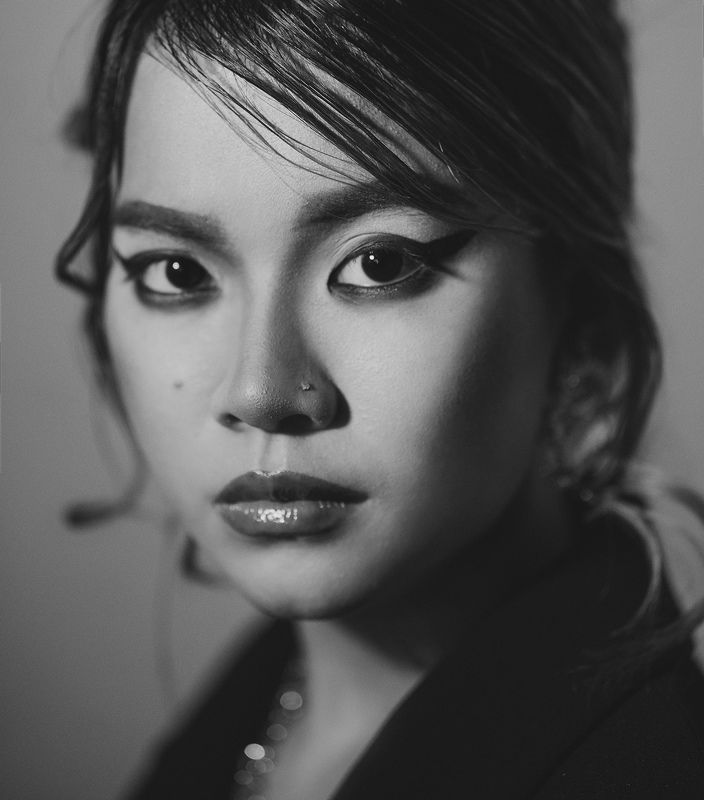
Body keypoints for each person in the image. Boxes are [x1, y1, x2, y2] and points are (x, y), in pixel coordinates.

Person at [57, 1, 704, 797]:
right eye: (178, 272)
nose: (261, 392)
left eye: (380, 264)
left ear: (579, 303)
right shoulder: (261, 701)